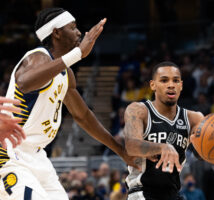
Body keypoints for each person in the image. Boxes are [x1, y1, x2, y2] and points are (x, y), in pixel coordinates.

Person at [0, 7, 137, 200]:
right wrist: (78, 54)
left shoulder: (66, 73)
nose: (79, 32)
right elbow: (24, 82)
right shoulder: (37, 56)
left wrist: (120, 150)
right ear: (56, 32)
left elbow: (83, 116)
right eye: (72, 27)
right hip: (9, 154)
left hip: (38, 157)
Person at [123, 61, 204, 200]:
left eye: (176, 80)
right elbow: (131, 145)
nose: (171, 85)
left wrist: (213, 145)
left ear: (181, 85)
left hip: (173, 193)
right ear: (153, 85)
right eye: (164, 80)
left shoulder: (194, 118)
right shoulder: (139, 110)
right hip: (142, 192)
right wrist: (161, 147)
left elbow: (200, 155)